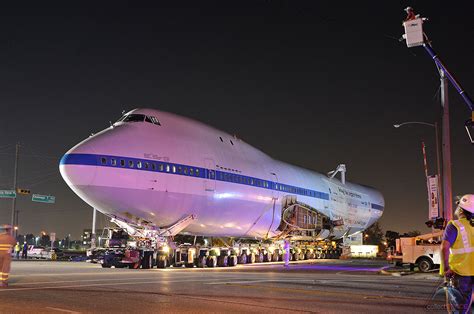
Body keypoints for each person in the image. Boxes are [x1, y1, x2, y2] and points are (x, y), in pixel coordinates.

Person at [440, 194, 474, 313]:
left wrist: (446, 268)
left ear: (460, 209)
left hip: (460, 273)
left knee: (459, 308)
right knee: (469, 305)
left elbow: (444, 248)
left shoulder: (455, 225)